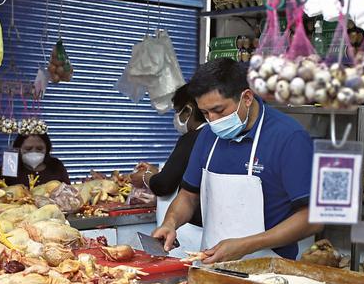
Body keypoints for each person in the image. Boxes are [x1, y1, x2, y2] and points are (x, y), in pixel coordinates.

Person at [152, 58, 324, 263]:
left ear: (247, 98)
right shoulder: (207, 136)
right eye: (205, 113)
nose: (213, 120)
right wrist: (170, 223)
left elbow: (312, 219)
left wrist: (246, 245)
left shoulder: (288, 138)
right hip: (210, 265)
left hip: (269, 270)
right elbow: (188, 196)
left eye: (219, 110)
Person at [130, 83, 206, 227]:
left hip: (188, 226)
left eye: (177, 111)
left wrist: (145, 177)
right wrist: (156, 171)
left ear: (188, 110)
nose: (176, 117)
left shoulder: (192, 137)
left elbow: (163, 185)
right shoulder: (211, 136)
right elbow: (182, 173)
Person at [0, 133, 70, 188]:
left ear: (47, 149)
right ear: (18, 148)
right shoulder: (10, 165)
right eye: (28, 149)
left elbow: (69, 191)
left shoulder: (56, 165)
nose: (34, 152)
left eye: (39, 149)